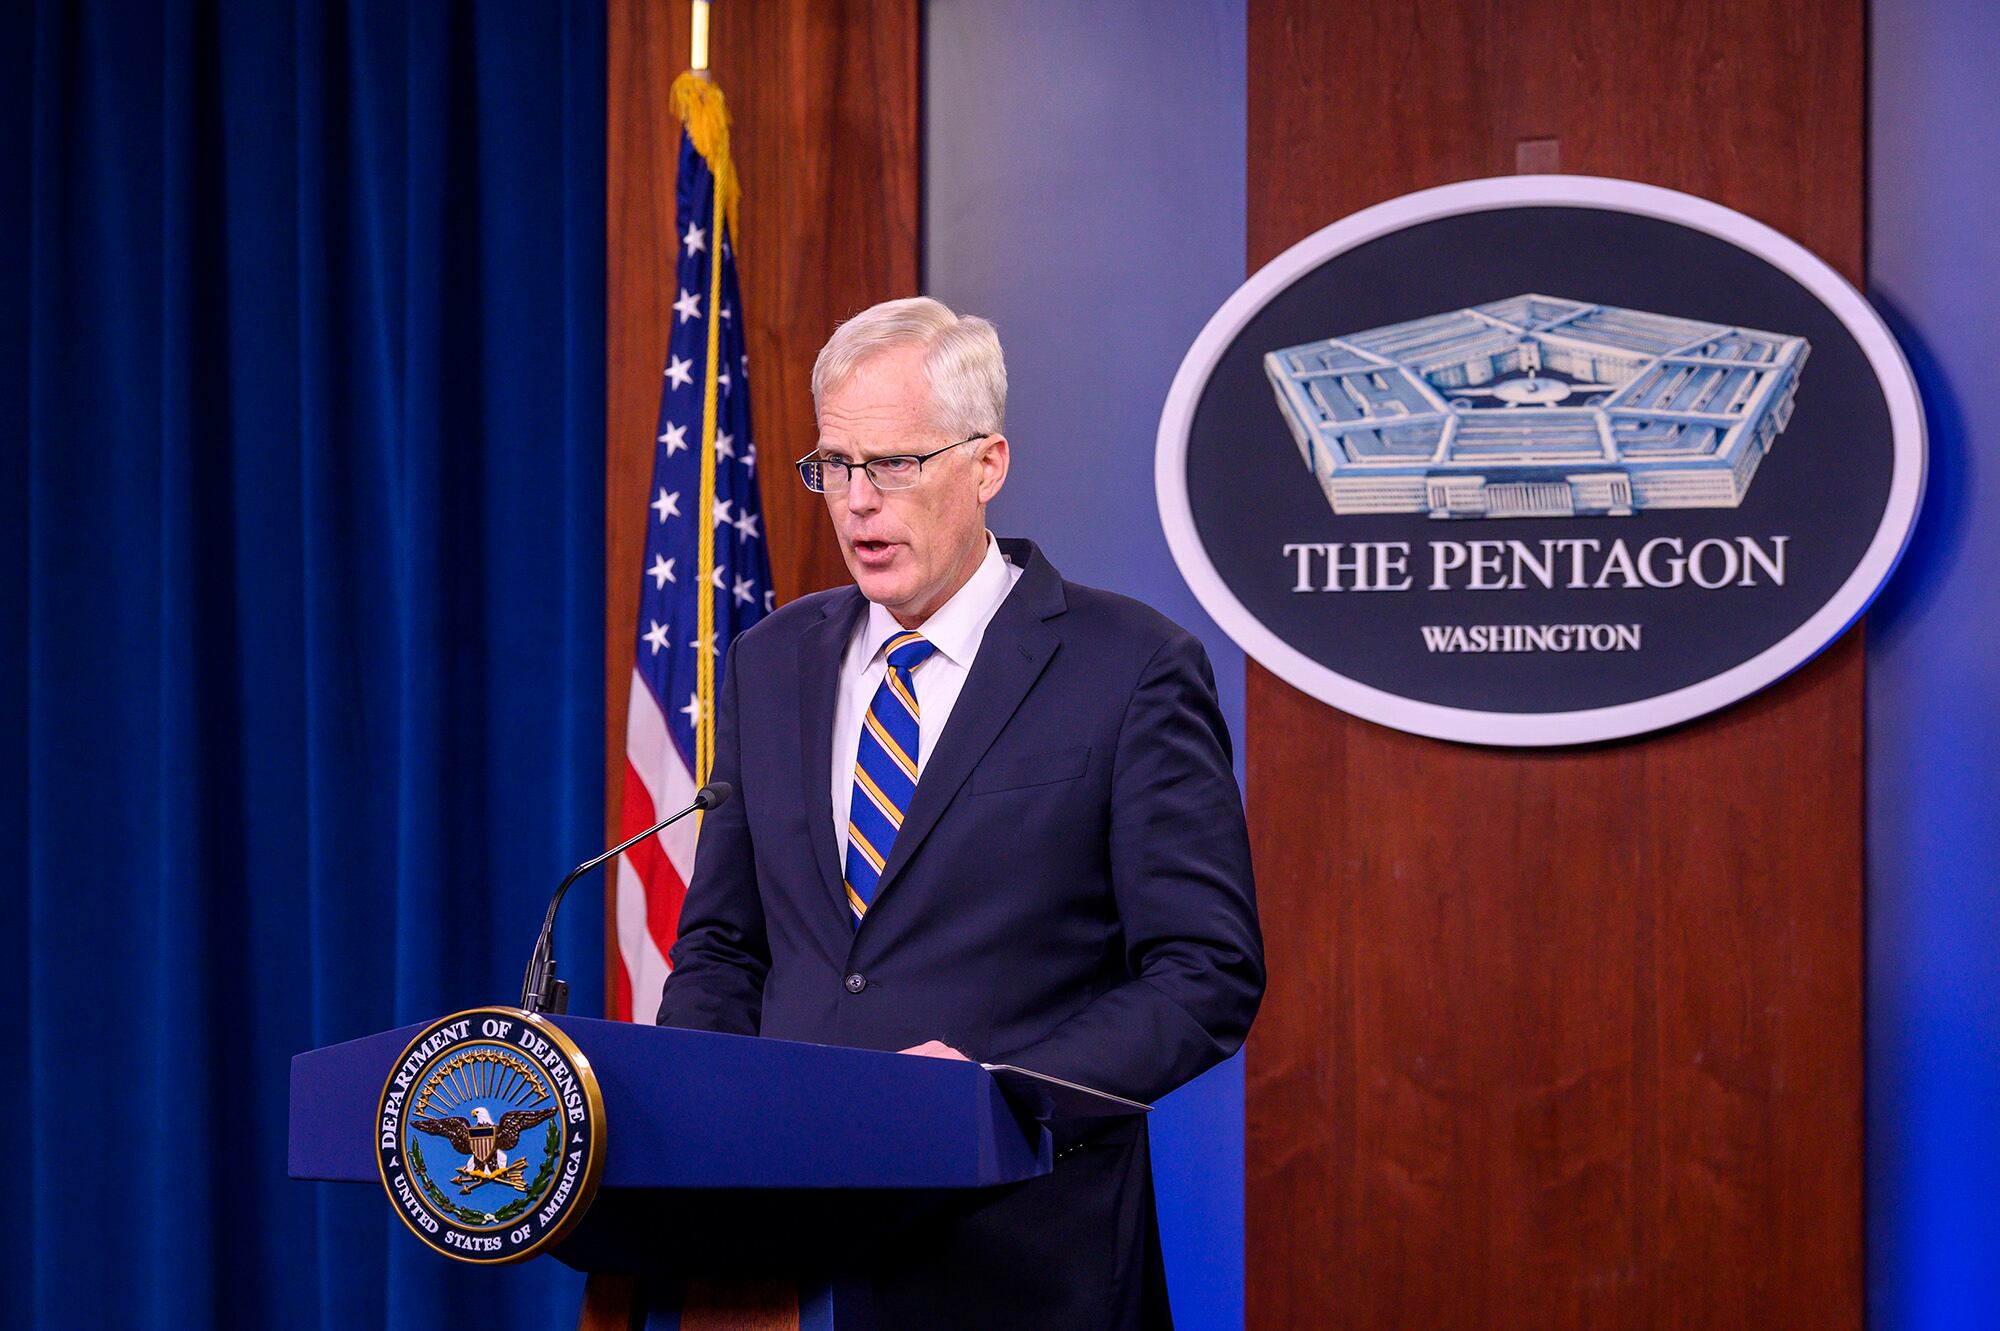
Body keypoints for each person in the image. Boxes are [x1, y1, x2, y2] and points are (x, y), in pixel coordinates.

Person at [657, 296, 1264, 1329]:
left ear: (986, 464)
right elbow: (722, 944)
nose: (856, 501)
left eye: (892, 464)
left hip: (1027, 1256)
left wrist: (998, 1084)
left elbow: (1205, 974)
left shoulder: (1129, 669)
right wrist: (707, 1127)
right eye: (834, 465)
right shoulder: (771, 663)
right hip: (783, 1259)